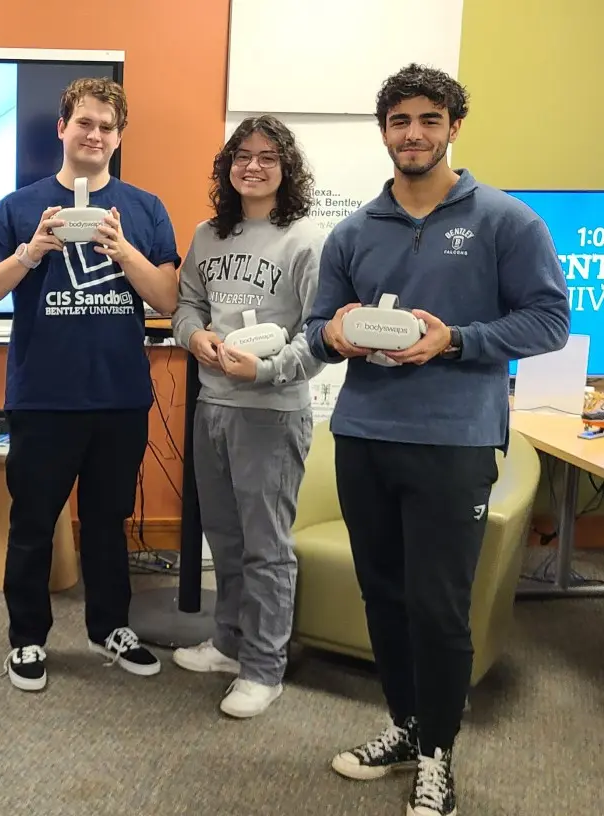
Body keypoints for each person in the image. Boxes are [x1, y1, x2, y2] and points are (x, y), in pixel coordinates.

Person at [304, 63, 569, 816]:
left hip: (453, 445)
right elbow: (316, 333)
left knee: (438, 605)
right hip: (362, 437)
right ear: (383, 131)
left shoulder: (507, 222)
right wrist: (334, 332)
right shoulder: (355, 230)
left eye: (428, 119)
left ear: (454, 125)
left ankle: (438, 756)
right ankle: (406, 725)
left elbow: (548, 321)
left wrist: (455, 340)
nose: (412, 134)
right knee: (382, 595)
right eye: (399, 121)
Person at [0, 77, 181, 692]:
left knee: (110, 522)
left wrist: (123, 251)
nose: (95, 134)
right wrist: (31, 252)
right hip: (44, 396)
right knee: (33, 523)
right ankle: (27, 639)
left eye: (107, 126)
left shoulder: (144, 208)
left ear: (119, 137)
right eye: (84, 122)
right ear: (62, 128)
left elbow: (166, 297)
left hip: (119, 395)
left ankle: (110, 628)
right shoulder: (18, 206)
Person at [170, 115, 325, 718]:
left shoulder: (306, 239)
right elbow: (186, 305)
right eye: (241, 155)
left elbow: (321, 336)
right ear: (227, 166)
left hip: (270, 413)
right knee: (226, 539)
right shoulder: (209, 235)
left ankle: (265, 667)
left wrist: (261, 371)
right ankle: (230, 643)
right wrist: (195, 339)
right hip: (213, 407)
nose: (252, 166)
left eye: (267, 157)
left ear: (286, 169)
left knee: (266, 547)